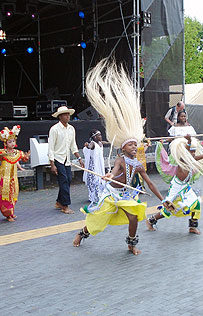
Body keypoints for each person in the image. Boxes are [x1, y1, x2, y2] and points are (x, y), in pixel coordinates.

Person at [73, 59, 164, 255]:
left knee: (133, 217)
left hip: (126, 196)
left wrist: (162, 199)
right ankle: (82, 233)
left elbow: (150, 183)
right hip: (111, 194)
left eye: (135, 144)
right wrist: (109, 177)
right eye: (131, 144)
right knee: (100, 220)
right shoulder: (121, 160)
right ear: (123, 148)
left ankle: (131, 244)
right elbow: (114, 172)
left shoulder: (137, 164)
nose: (134, 147)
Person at [147, 135, 203, 234]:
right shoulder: (182, 160)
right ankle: (151, 220)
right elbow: (186, 151)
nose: (193, 153)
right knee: (169, 209)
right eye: (191, 151)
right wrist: (188, 141)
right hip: (176, 190)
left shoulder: (192, 159)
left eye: (194, 151)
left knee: (196, 204)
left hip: (185, 188)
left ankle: (192, 226)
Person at [48, 105, 84, 214]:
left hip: (67, 159)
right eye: (65, 114)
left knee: (67, 179)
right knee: (64, 180)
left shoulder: (71, 129)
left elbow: (73, 145)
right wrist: (52, 164)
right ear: (60, 117)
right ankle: (65, 205)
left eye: (68, 114)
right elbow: (51, 148)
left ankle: (59, 201)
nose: (68, 116)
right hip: (58, 158)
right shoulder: (54, 129)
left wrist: (79, 158)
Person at [0, 126, 30, 222]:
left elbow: (24, 158)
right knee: (5, 197)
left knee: (13, 194)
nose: (12, 143)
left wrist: (27, 156)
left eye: (13, 141)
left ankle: (11, 213)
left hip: (13, 178)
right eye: (10, 142)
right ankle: (7, 215)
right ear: (5, 143)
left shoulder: (17, 152)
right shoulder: (2, 152)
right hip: (4, 178)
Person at [82, 129, 106, 206]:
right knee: (94, 181)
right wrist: (87, 146)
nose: (101, 136)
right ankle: (93, 197)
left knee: (100, 181)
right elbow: (89, 146)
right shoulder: (93, 144)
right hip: (93, 167)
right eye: (99, 135)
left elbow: (105, 142)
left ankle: (99, 195)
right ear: (94, 137)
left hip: (99, 166)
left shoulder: (100, 143)